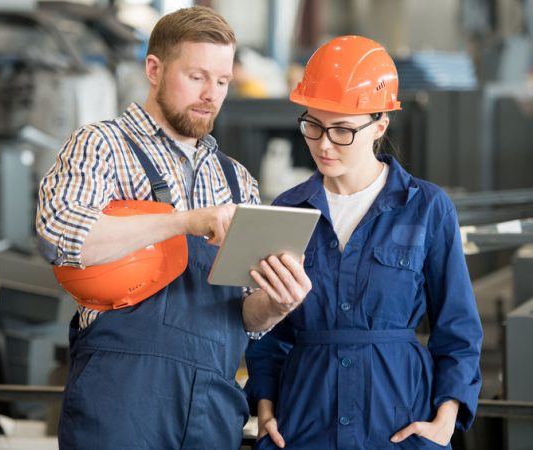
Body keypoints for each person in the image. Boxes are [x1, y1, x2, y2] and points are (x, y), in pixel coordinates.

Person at [36, 6, 312, 450]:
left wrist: (277, 304)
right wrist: (184, 221)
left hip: (212, 405)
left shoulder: (237, 180)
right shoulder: (102, 145)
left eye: (222, 81)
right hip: (123, 399)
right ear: (154, 68)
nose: (211, 95)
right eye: (197, 77)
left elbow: (243, 313)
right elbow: (63, 238)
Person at [245, 35, 483, 450]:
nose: (322, 143)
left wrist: (446, 419)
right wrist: (264, 405)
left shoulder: (426, 208)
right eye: (313, 124)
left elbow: (457, 327)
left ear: (379, 126)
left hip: (398, 421)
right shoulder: (289, 208)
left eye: (341, 130)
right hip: (304, 423)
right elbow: (268, 331)